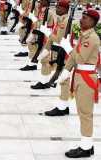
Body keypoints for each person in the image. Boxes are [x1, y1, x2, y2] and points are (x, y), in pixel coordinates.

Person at [57, 9, 100, 158]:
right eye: (82, 17)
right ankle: (88, 145)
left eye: (85, 18)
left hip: (87, 78)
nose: (81, 20)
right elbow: (74, 58)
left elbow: (80, 58)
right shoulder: (84, 36)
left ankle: (86, 147)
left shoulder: (92, 38)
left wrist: (69, 47)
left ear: (93, 22)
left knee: (85, 114)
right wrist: (66, 71)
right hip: (80, 75)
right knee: (82, 112)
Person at [41, 0, 71, 116]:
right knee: (63, 80)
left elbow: (59, 38)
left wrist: (48, 33)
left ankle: (62, 108)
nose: (56, 9)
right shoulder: (62, 19)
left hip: (65, 51)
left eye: (59, 7)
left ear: (64, 9)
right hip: (61, 50)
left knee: (64, 81)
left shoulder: (65, 20)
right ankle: (64, 106)